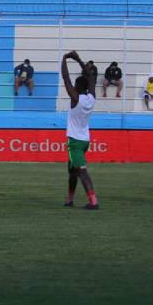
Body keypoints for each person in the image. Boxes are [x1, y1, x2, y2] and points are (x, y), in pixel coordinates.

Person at [60, 52, 98, 209]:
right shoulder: (91, 98)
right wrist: (79, 60)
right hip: (85, 140)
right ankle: (69, 199)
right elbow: (90, 77)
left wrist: (65, 59)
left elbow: (65, 78)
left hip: (75, 141)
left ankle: (93, 201)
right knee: (72, 171)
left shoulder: (75, 98)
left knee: (81, 171)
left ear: (76, 87)